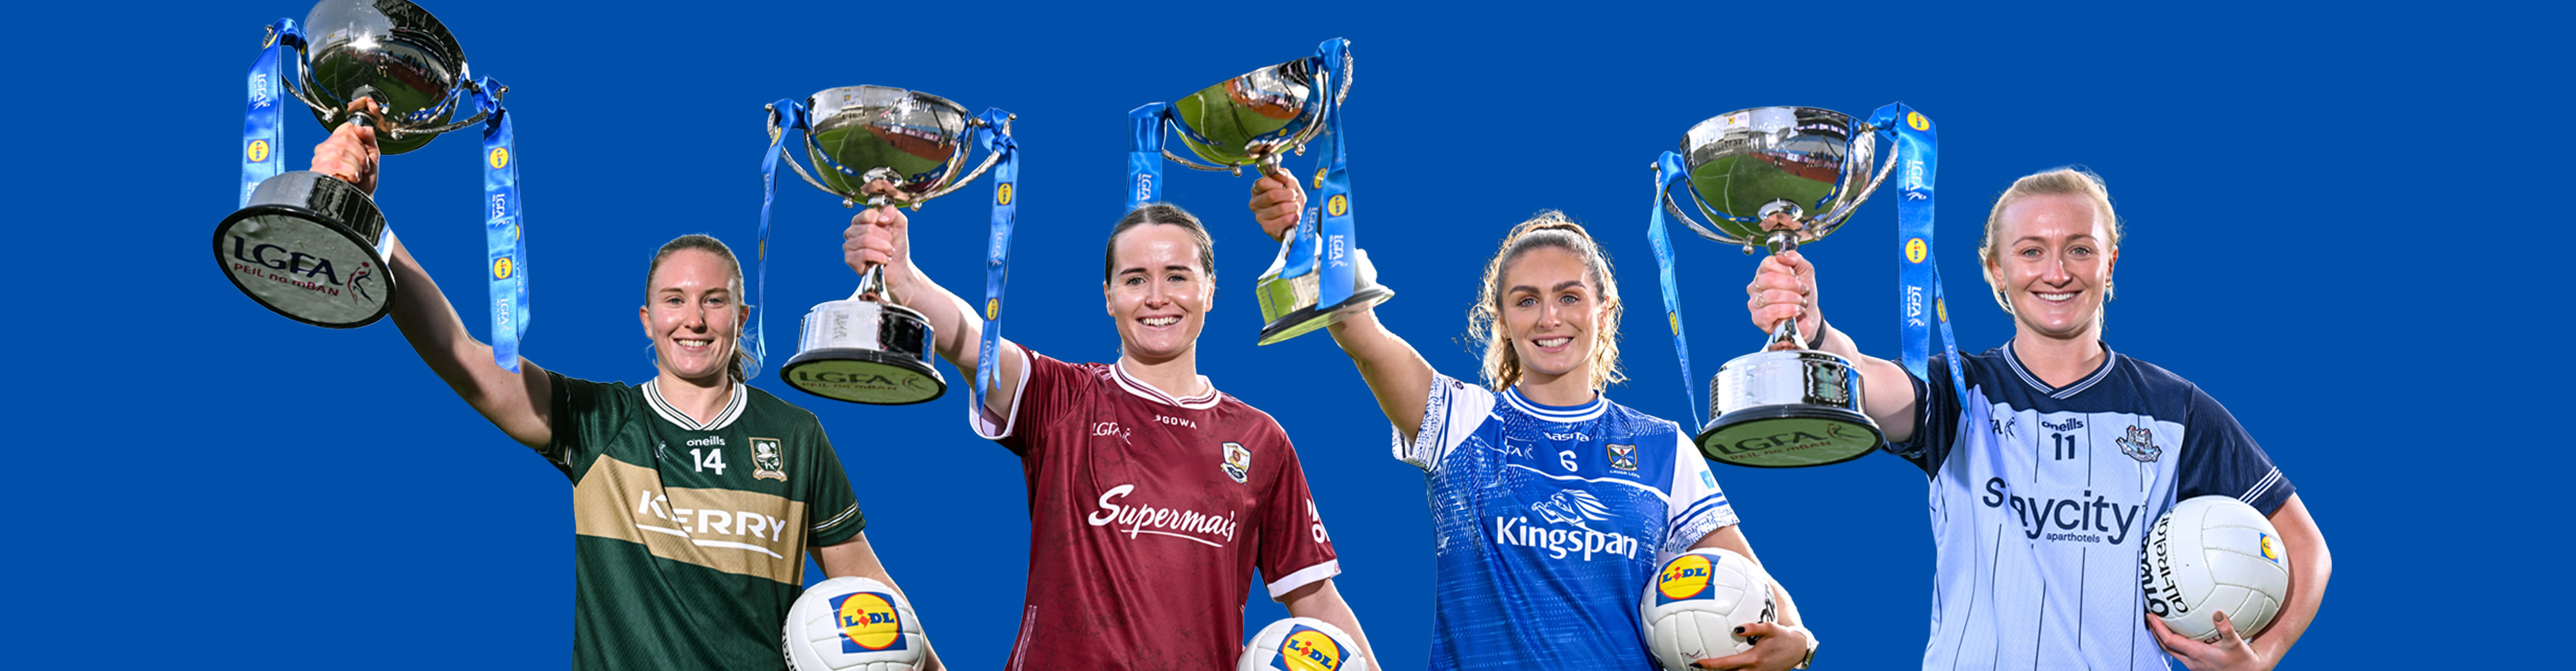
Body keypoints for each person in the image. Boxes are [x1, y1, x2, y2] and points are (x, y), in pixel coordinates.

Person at [309, 104, 943, 671]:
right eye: (674, 301)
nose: (693, 320)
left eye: (714, 302)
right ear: (649, 320)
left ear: (741, 319)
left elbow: (871, 594)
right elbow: (464, 358)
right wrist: (365, 225)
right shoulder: (599, 420)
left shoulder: (795, 435)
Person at [1742, 167, 2330, 670]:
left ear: (2110, 262)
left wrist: (2262, 657)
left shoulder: (2176, 410)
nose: (2057, 272)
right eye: (2031, 251)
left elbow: (2306, 549)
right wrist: (1812, 328)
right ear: (1996, 269)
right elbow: (1866, 382)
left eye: (2080, 248)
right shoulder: (1960, 391)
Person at [1246, 175, 1820, 671]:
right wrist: (1311, 237)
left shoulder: (1662, 446)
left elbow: (1751, 583)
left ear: (1604, 309)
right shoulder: (1461, 421)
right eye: (1526, 300)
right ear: (1499, 318)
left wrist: (1798, 639)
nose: (1550, 318)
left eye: (1569, 297)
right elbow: (1361, 335)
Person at [842, 195, 1377, 670]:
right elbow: (972, 344)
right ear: (1108, 296)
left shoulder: (1260, 439)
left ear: (1210, 290)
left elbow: (1314, 598)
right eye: (1135, 279)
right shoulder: (1062, 398)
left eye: (1178, 276)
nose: (1157, 297)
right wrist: (907, 282)